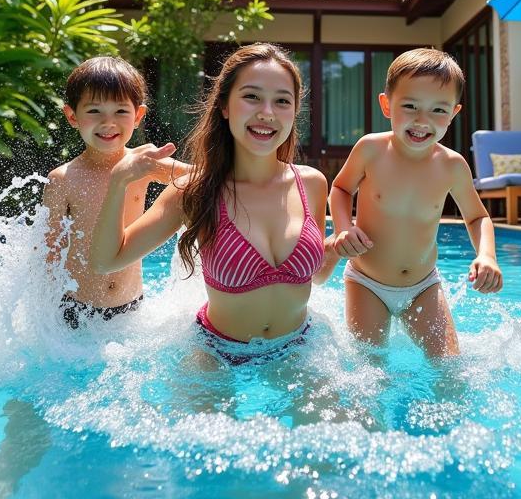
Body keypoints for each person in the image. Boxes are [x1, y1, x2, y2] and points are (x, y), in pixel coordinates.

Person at [90, 43, 339, 364]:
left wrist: (332, 250)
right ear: (224, 105)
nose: (267, 112)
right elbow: (106, 260)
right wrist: (118, 182)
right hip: (217, 352)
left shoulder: (312, 184)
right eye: (251, 97)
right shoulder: (194, 192)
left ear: (294, 111)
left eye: (282, 101)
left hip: (297, 346)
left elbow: (314, 277)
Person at [328, 47, 502, 356]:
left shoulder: (452, 165)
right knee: (369, 368)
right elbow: (340, 189)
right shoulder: (371, 150)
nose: (423, 120)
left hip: (423, 286)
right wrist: (344, 228)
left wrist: (487, 255)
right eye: (410, 106)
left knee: (448, 367)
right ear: (386, 104)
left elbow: (477, 217)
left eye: (438, 110)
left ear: (454, 113)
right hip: (367, 281)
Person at [43, 55, 181, 328]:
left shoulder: (143, 165)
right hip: (77, 312)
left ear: (138, 116)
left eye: (120, 111)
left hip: (132, 309)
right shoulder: (63, 179)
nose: (108, 123)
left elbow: (200, 177)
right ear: (72, 116)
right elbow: (49, 255)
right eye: (94, 111)